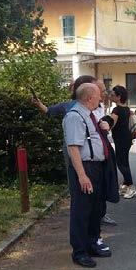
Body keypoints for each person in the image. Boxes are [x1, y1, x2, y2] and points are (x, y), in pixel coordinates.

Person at [32, 76, 117, 227]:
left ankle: (98, 218)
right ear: (87, 92)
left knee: (99, 189)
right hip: (80, 152)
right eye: (99, 90)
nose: (102, 94)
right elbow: (50, 112)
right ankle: (85, 225)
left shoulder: (96, 107)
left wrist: (106, 124)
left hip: (98, 155)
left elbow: (103, 124)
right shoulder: (73, 109)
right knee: (81, 190)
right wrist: (39, 105)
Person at [63, 83, 112, 268]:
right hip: (84, 168)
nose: (102, 98)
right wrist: (82, 175)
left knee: (95, 209)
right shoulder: (74, 117)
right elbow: (73, 148)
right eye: (99, 95)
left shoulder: (89, 115)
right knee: (82, 211)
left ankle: (92, 243)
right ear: (89, 97)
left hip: (95, 167)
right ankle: (79, 251)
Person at [108, 85, 136, 199]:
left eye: (113, 95)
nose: (111, 97)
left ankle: (130, 186)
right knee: (124, 161)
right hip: (127, 138)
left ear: (119, 97)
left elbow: (111, 124)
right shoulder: (126, 108)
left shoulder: (116, 110)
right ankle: (126, 185)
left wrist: (105, 123)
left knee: (121, 163)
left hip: (120, 139)